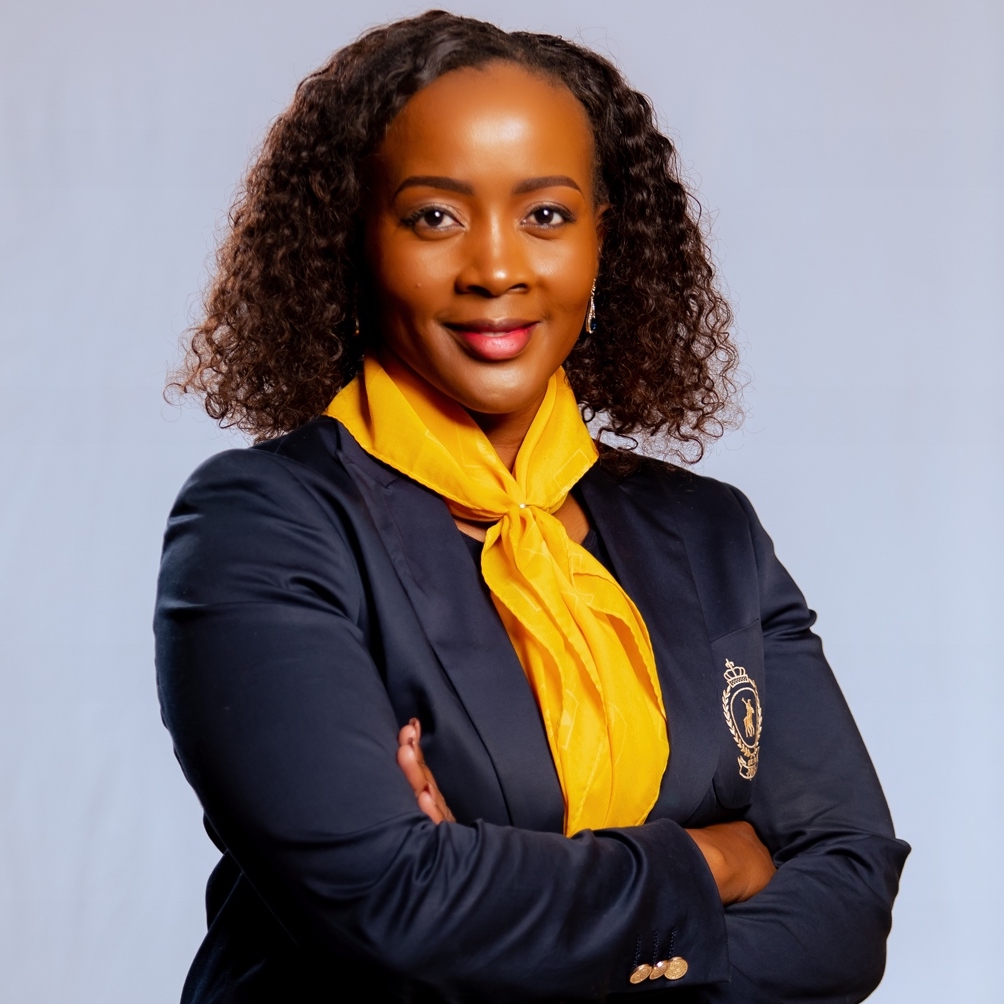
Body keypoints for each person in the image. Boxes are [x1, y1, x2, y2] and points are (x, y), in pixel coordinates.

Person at [156, 11, 908, 1003]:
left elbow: (848, 899)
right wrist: (716, 861)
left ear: (605, 237)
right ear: (355, 239)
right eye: (435, 216)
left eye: (545, 214)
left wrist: (493, 892)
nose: (496, 268)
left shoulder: (710, 534)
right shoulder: (264, 526)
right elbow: (394, 908)